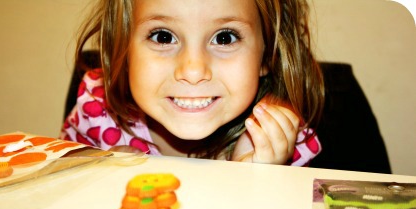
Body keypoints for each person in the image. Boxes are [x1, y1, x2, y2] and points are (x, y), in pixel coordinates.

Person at [61, 0, 324, 166]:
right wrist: (96, 176)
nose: (193, 70)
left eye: (225, 38)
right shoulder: (96, 114)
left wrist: (253, 177)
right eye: (163, 37)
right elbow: (56, 192)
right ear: (124, 50)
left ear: (267, 57)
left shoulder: (276, 139)